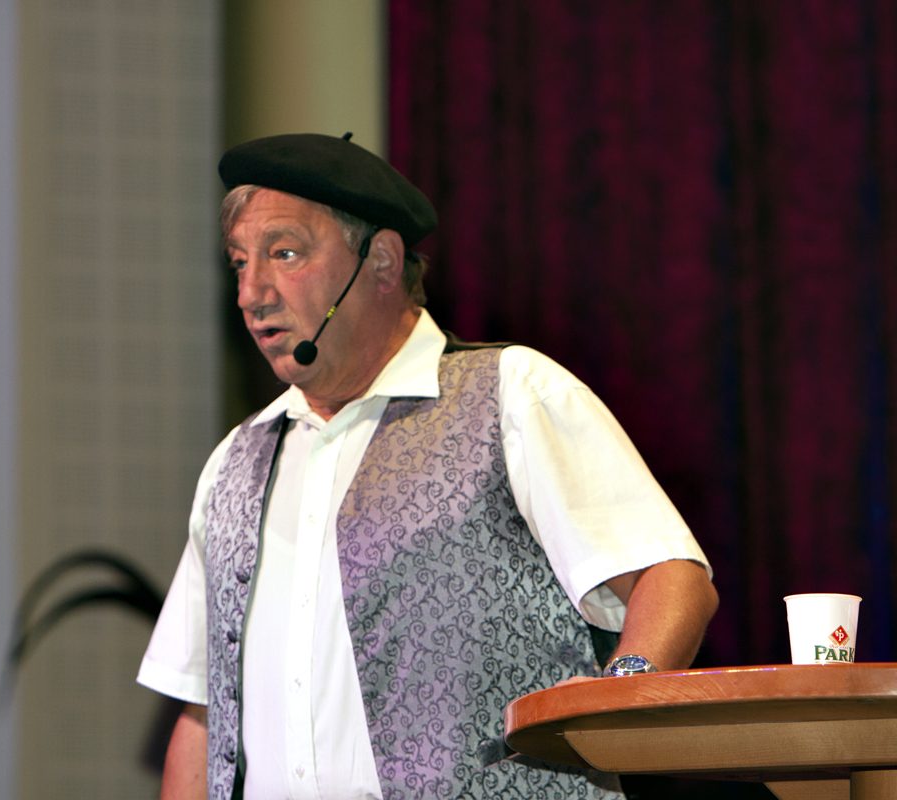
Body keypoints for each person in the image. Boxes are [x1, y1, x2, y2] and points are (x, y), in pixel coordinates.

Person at [137, 132, 718, 799]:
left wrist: (619, 698)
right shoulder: (235, 462)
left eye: (285, 253)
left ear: (382, 260)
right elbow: (202, 710)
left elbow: (671, 578)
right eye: (240, 263)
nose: (251, 293)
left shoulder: (511, 393)